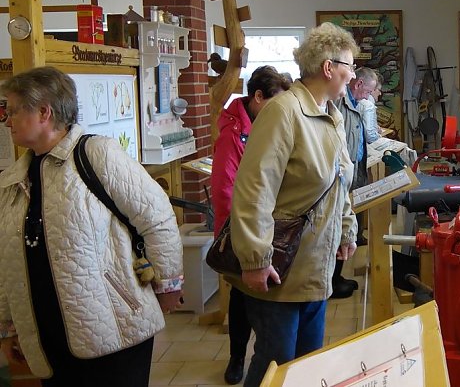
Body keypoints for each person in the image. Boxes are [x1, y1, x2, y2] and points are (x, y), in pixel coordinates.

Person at [0, 67, 184, 387]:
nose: (6, 120)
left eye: (12, 110)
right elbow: (7, 259)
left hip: (114, 329)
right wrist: (9, 326)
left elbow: (157, 219)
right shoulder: (13, 179)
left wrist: (169, 285)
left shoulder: (96, 154)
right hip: (48, 338)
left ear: (44, 112)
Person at [230, 22, 358, 387]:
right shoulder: (283, 112)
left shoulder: (331, 115)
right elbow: (254, 189)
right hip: (279, 270)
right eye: (349, 66)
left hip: (315, 269)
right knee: (276, 366)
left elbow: (339, 182)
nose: (352, 75)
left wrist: (347, 229)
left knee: (307, 367)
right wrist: (255, 258)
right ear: (328, 67)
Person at [211, 66, 291, 385]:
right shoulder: (234, 133)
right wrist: (245, 235)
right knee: (242, 297)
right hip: (240, 229)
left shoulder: (263, 125)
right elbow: (225, 189)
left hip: (264, 225)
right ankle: (237, 358)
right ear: (258, 97)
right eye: (274, 102)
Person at [333, 67, 379, 296]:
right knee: (339, 221)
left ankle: (337, 276)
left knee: (347, 218)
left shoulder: (356, 104)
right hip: (342, 173)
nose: (369, 96)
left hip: (355, 168)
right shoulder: (339, 104)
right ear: (358, 84)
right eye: (368, 91)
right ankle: (333, 280)